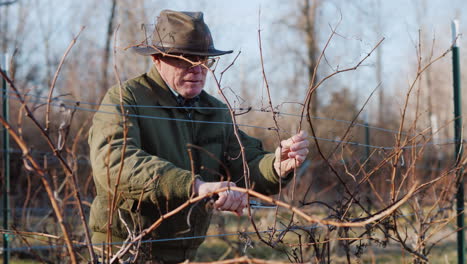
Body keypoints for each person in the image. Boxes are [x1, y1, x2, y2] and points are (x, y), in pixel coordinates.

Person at [88, 9, 309, 263]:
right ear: (157, 59)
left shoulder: (215, 111)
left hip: (185, 253)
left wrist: (276, 166)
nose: (198, 68)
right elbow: (113, 164)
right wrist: (196, 186)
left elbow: (242, 165)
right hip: (124, 249)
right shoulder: (126, 99)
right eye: (185, 59)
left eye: (204, 60)